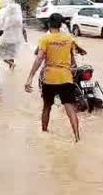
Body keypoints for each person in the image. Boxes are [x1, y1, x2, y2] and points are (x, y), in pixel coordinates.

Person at [23, 13, 85, 141]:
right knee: (70, 109)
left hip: (50, 78)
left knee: (47, 106)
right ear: (61, 24)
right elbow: (75, 55)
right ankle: (77, 137)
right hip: (66, 78)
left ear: (49, 24)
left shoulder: (45, 39)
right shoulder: (69, 39)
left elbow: (39, 57)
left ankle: (44, 132)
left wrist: (30, 77)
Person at [0, 0, 28, 70]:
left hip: (7, 40)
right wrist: (26, 41)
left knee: (2, 56)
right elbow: (23, 30)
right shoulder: (18, 19)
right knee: (11, 56)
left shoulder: (6, 18)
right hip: (16, 41)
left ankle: (11, 64)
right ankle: (11, 69)